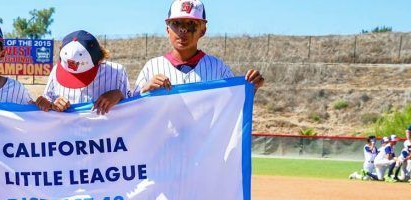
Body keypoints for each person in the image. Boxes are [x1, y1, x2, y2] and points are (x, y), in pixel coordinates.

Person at [132, 0, 264, 96]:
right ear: (167, 29)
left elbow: (233, 106)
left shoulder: (217, 68)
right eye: (176, 23)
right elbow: (131, 112)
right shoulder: (152, 67)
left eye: (191, 23)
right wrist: (145, 90)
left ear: (203, 30)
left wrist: (251, 88)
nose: (183, 29)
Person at [36, 30, 129, 114]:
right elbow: (47, 99)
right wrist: (51, 104)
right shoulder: (56, 70)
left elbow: (134, 108)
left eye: (83, 74)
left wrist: (119, 95)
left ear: (99, 60)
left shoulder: (117, 72)